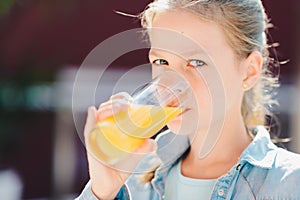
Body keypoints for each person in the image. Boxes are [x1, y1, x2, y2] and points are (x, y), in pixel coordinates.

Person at [76, 0, 300, 199]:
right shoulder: (134, 180)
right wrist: (102, 193)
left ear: (249, 71)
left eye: (197, 63)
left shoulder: (290, 183)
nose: (172, 85)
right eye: (162, 62)